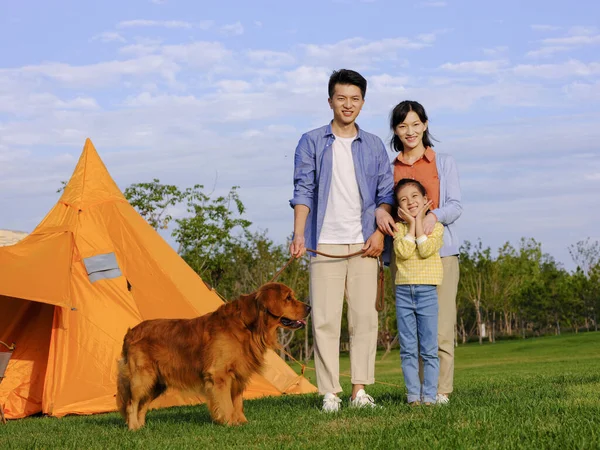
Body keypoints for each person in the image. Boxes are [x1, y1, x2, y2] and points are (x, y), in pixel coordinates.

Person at [289, 69, 394, 412]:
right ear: (330, 100)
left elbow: (386, 195)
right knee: (324, 319)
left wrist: (379, 234)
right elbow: (302, 188)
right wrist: (299, 234)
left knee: (364, 319)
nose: (348, 104)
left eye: (355, 98)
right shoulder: (311, 141)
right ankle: (329, 392)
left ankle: (359, 391)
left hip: (365, 244)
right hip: (325, 243)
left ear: (362, 102)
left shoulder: (375, 145)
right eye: (341, 98)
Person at [375, 100, 462, 405]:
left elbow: (455, 205)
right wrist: (380, 214)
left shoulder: (444, 162)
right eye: (402, 126)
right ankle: (418, 393)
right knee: (412, 332)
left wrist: (431, 216)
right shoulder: (390, 167)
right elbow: (385, 204)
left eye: (415, 124)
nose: (409, 131)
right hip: (403, 256)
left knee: (439, 329)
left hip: (441, 254)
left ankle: (440, 392)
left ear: (425, 125)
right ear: (395, 131)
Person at [393, 178, 444, 406]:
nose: (410, 202)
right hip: (404, 294)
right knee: (408, 349)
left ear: (425, 200)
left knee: (429, 349)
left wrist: (420, 222)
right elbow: (403, 252)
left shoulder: (436, 228)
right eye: (403, 200)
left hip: (427, 293)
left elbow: (425, 249)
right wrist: (412, 224)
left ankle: (430, 397)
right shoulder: (399, 229)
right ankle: (413, 396)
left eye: (415, 197)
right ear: (399, 208)